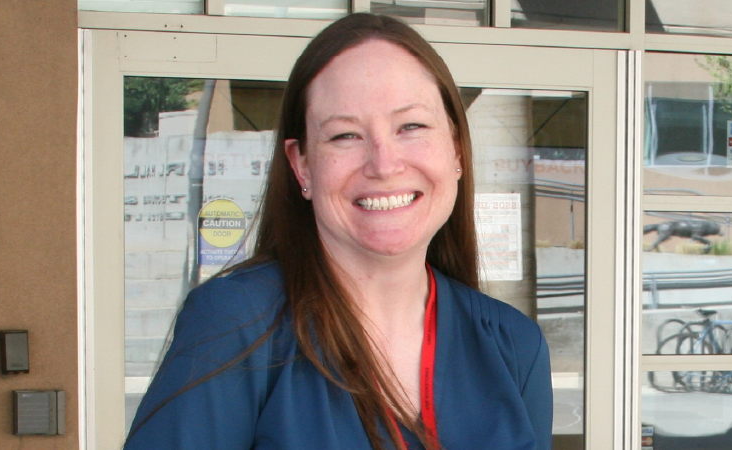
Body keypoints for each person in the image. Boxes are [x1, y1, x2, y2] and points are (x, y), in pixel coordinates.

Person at [126, 13, 551, 450]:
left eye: (411, 127)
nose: (384, 164)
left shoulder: (513, 346)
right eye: (345, 135)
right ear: (302, 165)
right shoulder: (239, 323)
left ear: (457, 150)